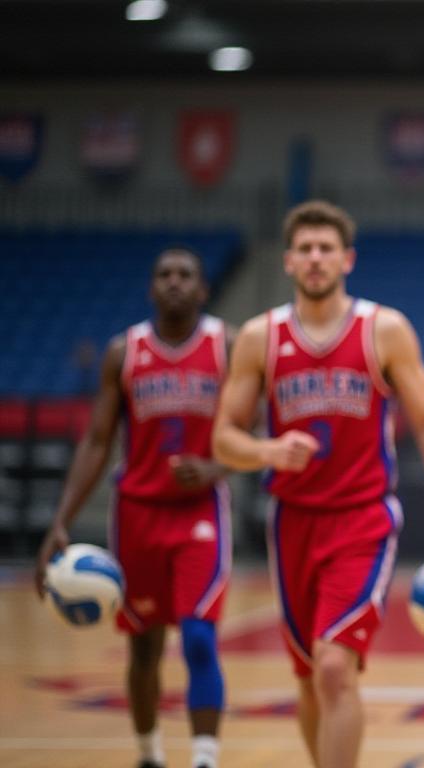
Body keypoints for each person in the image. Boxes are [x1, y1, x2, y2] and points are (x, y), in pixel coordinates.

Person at [211, 200, 424, 768]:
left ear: (347, 259)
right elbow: (222, 439)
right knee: (312, 676)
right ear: (289, 261)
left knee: (336, 667)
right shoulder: (259, 338)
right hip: (292, 522)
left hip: (363, 519)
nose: (316, 258)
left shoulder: (382, 330)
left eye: (326, 249)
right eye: (306, 249)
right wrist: (267, 451)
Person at [35, 247, 233, 768]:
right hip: (138, 515)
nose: (174, 282)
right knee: (144, 647)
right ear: (150, 289)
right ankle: (149, 755)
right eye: (164, 275)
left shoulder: (226, 345)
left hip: (200, 512)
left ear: (202, 289)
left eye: (185, 275)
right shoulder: (124, 352)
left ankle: (206, 758)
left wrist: (216, 467)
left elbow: (253, 430)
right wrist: (62, 519)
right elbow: (98, 441)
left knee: (198, 636)